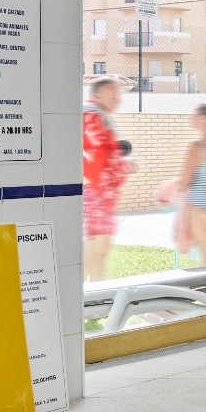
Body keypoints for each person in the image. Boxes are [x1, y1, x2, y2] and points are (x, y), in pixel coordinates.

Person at [154, 104, 206, 269]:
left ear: (204, 119)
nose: (191, 119)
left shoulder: (197, 147)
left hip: (202, 205)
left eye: (194, 116)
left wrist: (169, 185)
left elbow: (185, 181)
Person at [82, 77, 136, 283]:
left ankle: (93, 298)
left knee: (98, 248)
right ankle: (88, 298)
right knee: (96, 247)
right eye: (114, 95)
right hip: (95, 192)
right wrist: (124, 165)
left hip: (97, 192)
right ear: (99, 95)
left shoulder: (96, 116)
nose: (118, 100)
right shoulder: (92, 117)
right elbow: (95, 158)